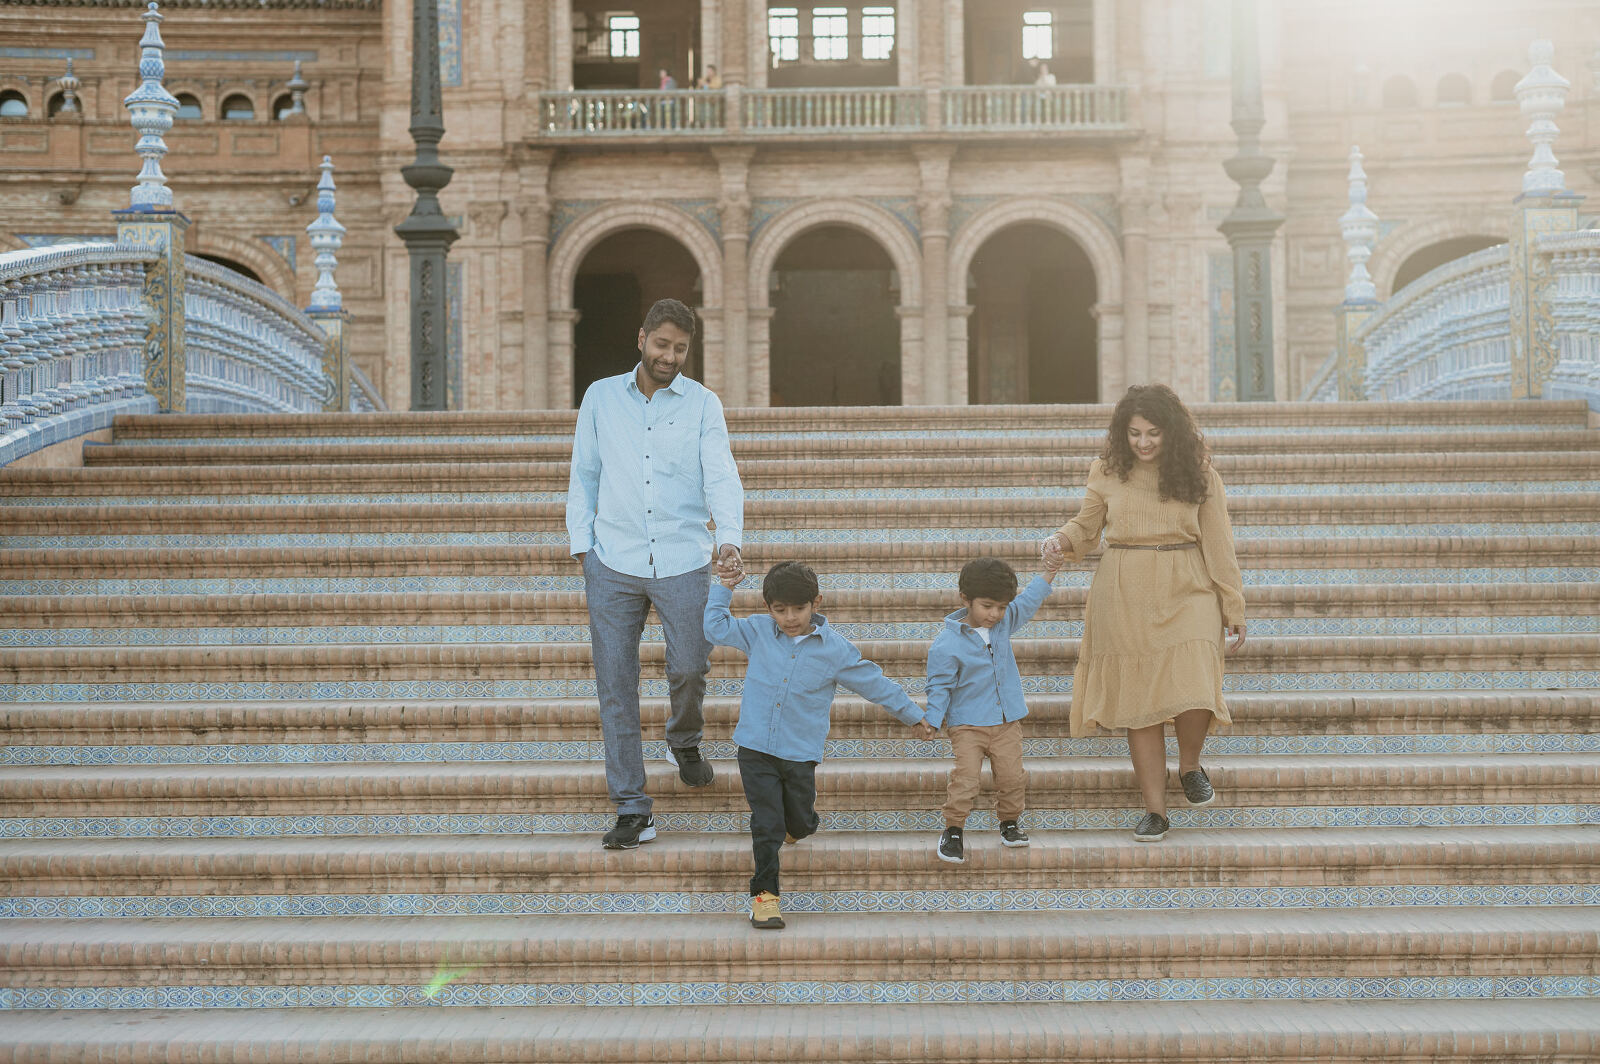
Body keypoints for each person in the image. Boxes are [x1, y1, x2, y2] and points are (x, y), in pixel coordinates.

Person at [567, 297, 744, 851]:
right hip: (612, 559)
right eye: (662, 344)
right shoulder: (600, 397)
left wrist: (730, 539)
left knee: (691, 665)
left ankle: (683, 739)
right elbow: (584, 473)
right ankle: (631, 806)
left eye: (681, 349)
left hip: (683, 557)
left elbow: (721, 473)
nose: (670, 356)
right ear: (640, 338)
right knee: (615, 687)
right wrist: (583, 549)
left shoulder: (702, 404)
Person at [1042, 384, 1246, 843]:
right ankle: (1155, 811)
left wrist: (1232, 603)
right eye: (1135, 433)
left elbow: (1219, 543)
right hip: (1123, 588)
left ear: (1171, 431)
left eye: (1153, 433)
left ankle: (1189, 765)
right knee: (1140, 707)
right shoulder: (1107, 471)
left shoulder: (1200, 475)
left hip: (1188, 583)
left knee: (1196, 686)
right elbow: (1087, 526)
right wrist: (1060, 540)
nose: (1144, 443)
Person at [705, 559, 936, 930]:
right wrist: (724, 587)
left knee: (798, 820)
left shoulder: (835, 650)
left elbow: (873, 683)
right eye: (780, 610)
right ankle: (765, 898)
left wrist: (913, 714)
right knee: (766, 824)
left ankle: (801, 824)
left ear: (817, 602)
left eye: (798, 608)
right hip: (755, 748)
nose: (790, 617)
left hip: (800, 752)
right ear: (768, 609)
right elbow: (714, 626)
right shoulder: (758, 631)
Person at [925, 555, 1061, 864]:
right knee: (967, 779)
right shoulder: (946, 644)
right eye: (987, 606)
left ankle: (1009, 822)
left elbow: (1027, 602)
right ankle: (954, 830)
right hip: (967, 725)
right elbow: (939, 686)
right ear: (966, 599)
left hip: (1006, 722)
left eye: (1001, 607)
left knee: (1013, 777)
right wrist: (932, 720)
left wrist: (1048, 573)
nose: (995, 614)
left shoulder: (1004, 624)